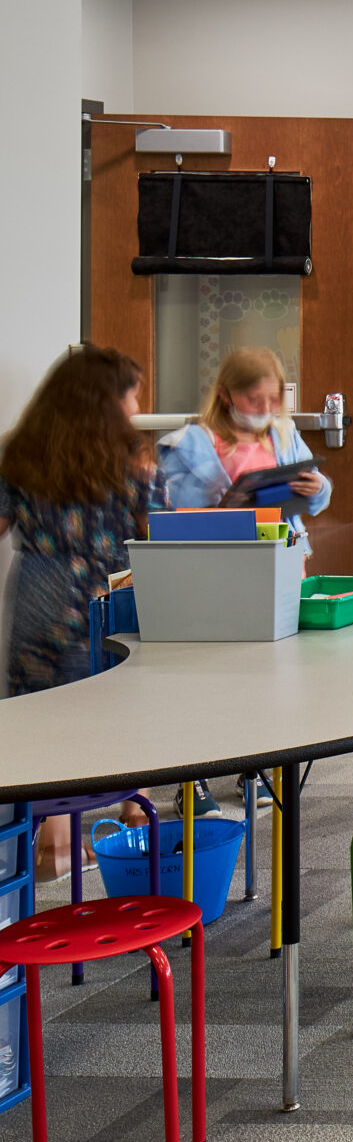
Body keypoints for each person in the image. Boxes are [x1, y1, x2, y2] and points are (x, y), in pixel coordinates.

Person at [0, 346, 156, 877]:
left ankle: (55, 842)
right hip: (105, 593)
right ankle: (133, 815)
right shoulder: (133, 458)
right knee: (121, 709)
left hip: (37, 596)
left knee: (43, 714)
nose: (137, 407)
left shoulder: (18, 453)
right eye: (132, 395)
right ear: (107, 402)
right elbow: (154, 534)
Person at [158, 347, 332, 516]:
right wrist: (220, 508)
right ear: (224, 395)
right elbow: (174, 510)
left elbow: (313, 484)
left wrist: (318, 488)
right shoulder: (191, 446)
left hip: (279, 541)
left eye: (274, 399)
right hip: (225, 543)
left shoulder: (284, 435)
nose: (265, 409)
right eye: (254, 400)